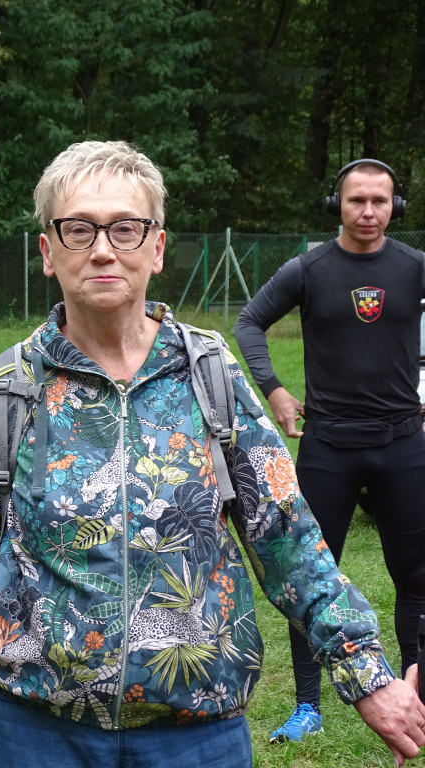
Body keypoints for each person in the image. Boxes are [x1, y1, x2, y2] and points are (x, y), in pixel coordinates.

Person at [0, 141, 425, 768]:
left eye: (125, 228)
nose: (103, 249)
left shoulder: (210, 377)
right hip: (39, 738)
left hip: (198, 736)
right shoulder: (11, 392)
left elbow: (289, 541)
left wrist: (366, 674)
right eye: (78, 229)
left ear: (156, 248)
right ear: (48, 253)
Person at [233, 158, 425, 744]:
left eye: (380, 201)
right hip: (328, 447)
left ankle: (415, 693)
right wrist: (276, 390)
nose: (369, 212)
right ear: (336, 205)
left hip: (403, 446)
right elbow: (249, 323)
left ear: (396, 207)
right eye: (356, 201)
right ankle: (308, 705)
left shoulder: (415, 268)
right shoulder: (309, 269)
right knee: (306, 575)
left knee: (416, 579)